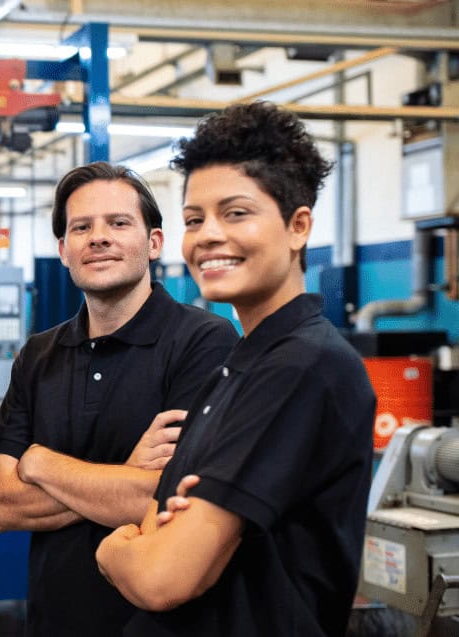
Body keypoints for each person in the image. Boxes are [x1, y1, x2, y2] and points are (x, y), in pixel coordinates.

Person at [96, 101, 376, 637]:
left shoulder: (302, 369)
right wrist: (155, 539)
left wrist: (114, 550)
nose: (208, 236)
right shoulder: (238, 367)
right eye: (195, 219)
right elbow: (160, 523)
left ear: (298, 227)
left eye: (237, 213)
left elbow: (162, 577)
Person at [0, 161, 237, 636]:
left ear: (154, 242)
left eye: (119, 223)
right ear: (64, 250)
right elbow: (4, 506)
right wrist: (128, 472)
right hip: (53, 621)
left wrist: (41, 464)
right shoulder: (38, 355)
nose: (98, 237)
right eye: (81, 227)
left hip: (162, 626)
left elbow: (170, 497)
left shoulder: (204, 341)